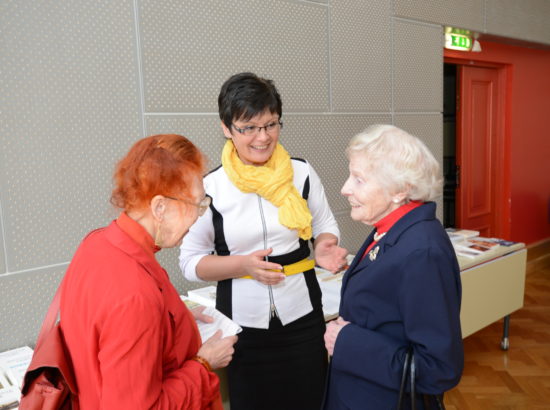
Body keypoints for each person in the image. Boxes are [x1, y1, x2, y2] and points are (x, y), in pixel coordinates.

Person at [179, 72, 348, 410]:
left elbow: (325, 223)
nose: (263, 137)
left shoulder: (301, 173)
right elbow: (190, 262)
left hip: (303, 318)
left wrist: (326, 243)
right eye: (249, 128)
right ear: (226, 128)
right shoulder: (211, 188)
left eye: (271, 125)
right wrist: (242, 265)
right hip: (245, 327)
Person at [60, 134, 237, 409]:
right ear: (159, 207)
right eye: (197, 204)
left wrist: (176, 322)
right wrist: (204, 363)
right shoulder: (134, 294)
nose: (200, 215)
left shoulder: (97, 243)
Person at [323, 125, 464, 409]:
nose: (345, 188)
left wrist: (347, 342)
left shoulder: (422, 252)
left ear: (400, 190)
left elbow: (438, 368)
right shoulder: (391, 228)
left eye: (359, 179)